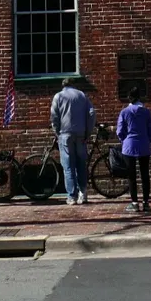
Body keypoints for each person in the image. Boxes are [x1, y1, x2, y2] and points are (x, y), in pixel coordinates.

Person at [50, 77, 95, 205]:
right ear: (73, 85)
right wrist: (88, 132)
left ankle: (72, 196)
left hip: (65, 134)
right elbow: (92, 113)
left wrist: (57, 132)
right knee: (81, 164)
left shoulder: (58, 96)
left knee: (68, 166)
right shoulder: (82, 95)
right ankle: (83, 193)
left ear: (63, 85)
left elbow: (54, 116)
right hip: (81, 134)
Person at [115, 88, 151, 213]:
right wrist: (147, 140)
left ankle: (134, 203)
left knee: (131, 176)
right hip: (143, 144)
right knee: (145, 174)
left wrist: (124, 141)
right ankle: (146, 203)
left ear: (129, 98)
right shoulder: (146, 112)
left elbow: (120, 131)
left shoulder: (124, 112)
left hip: (129, 145)